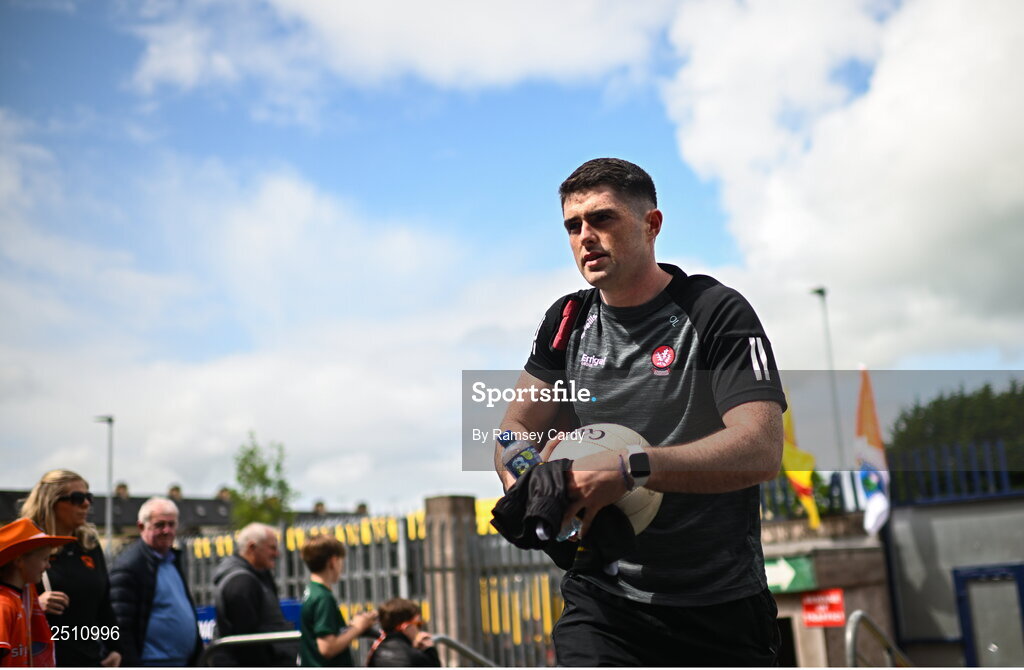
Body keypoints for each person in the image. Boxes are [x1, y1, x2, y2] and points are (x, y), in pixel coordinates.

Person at [494, 158, 786, 666]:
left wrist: (631, 468)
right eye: (573, 225)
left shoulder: (716, 311)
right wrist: (530, 476)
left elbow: (762, 447)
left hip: (716, 605)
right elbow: (514, 428)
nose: (586, 236)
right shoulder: (567, 319)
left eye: (602, 219)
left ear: (652, 225)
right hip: (604, 603)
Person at [21, 470, 123, 667]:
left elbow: (104, 604)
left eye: (88, 497)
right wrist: (34, 606)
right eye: (77, 498)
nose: (86, 504)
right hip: (43, 659)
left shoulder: (89, 544)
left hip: (90, 659)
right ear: (50, 502)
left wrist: (115, 647)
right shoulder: (27, 546)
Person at [108, 497, 203, 666]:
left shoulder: (172, 559)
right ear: (141, 527)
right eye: (159, 525)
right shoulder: (131, 566)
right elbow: (121, 627)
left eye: (172, 524)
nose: (167, 530)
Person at [212, 522, 296, 666]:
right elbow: (246, 641)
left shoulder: (256, 575)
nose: (277, 554)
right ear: (252, 547)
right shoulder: (241, 582)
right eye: (272, 548)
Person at [0, 518, 75, 667]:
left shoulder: (18, 599)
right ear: (19, 560)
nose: (48, 566)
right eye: (45, 559)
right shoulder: (4, 605)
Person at [297, 535, 377, 667]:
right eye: (341, 561)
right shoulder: (323, 597)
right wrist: (358, 627)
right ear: (333, 562)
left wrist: (350, 629)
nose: (342, 567)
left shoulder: (312, 591)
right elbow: (327, 648)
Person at [366, 599, 439, 668]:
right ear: (406, 626)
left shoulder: (376, 650)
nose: (419, 630)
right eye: (418, 624)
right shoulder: (414, 656)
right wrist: (430, 650)